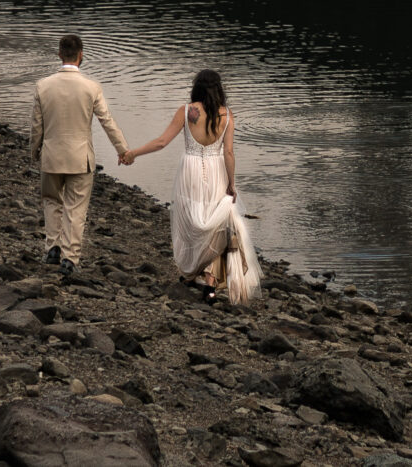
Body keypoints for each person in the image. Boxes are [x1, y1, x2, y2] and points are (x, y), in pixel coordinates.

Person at [122, 67, 259, 303]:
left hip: (190, 171)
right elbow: (228, 152)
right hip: (217, 171)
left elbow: (162, 142)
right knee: (215, 223)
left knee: (191, 221)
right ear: (219, 90)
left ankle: (190, 273)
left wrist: (133, 153)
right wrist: (232, 184)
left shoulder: (187, 112)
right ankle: (210, 284)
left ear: (196, 87)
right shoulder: (227, 115)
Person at [29, 34, 129, 281]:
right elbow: (107, 121)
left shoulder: (43, 86)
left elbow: (36, 126)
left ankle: (52, 247)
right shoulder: (91, 87)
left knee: (52, 201)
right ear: (81, 55)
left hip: (51, 156)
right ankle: (69, 258)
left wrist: (34, 151)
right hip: (80, 159)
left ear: (59, 54)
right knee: (76, 208)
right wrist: (122, 149)